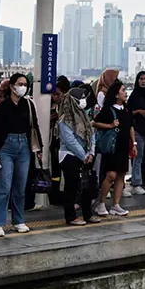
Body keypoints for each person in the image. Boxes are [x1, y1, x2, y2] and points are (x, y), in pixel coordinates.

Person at [0, 73, 43, 238]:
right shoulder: (2, 107)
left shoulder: (28, 104)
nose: (23, 87)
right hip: (6, 147)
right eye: (20, 84)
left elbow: (34, 126)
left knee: (20, 186)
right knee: (3, 186)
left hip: (24, 146)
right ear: (12, 86)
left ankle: (18, 220)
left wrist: (38, 149)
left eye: (25, 84)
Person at [55, 76, 97, 226]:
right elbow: (69, 140)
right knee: (71, 187)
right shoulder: (65, 118)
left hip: (86, 156)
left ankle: (88, 214)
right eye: (81, 98)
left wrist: (91, 152)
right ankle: (71, 217)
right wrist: (83, 155)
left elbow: (92, 135)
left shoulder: (85, 116)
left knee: (87, 187)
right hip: (69, 156)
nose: (84, 101)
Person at [93, 79, 132, 217]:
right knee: (111, 175)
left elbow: (130, 127)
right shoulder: (108, 110)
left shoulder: (126, 109)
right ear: (116, 94)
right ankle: (101, 203)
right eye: (123, 90)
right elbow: (94, 123)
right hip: (112, 148)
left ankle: (116, 205)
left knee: (121, 175)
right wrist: (110, 126)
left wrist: (133, 144)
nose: (125, 93)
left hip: (123, 147)